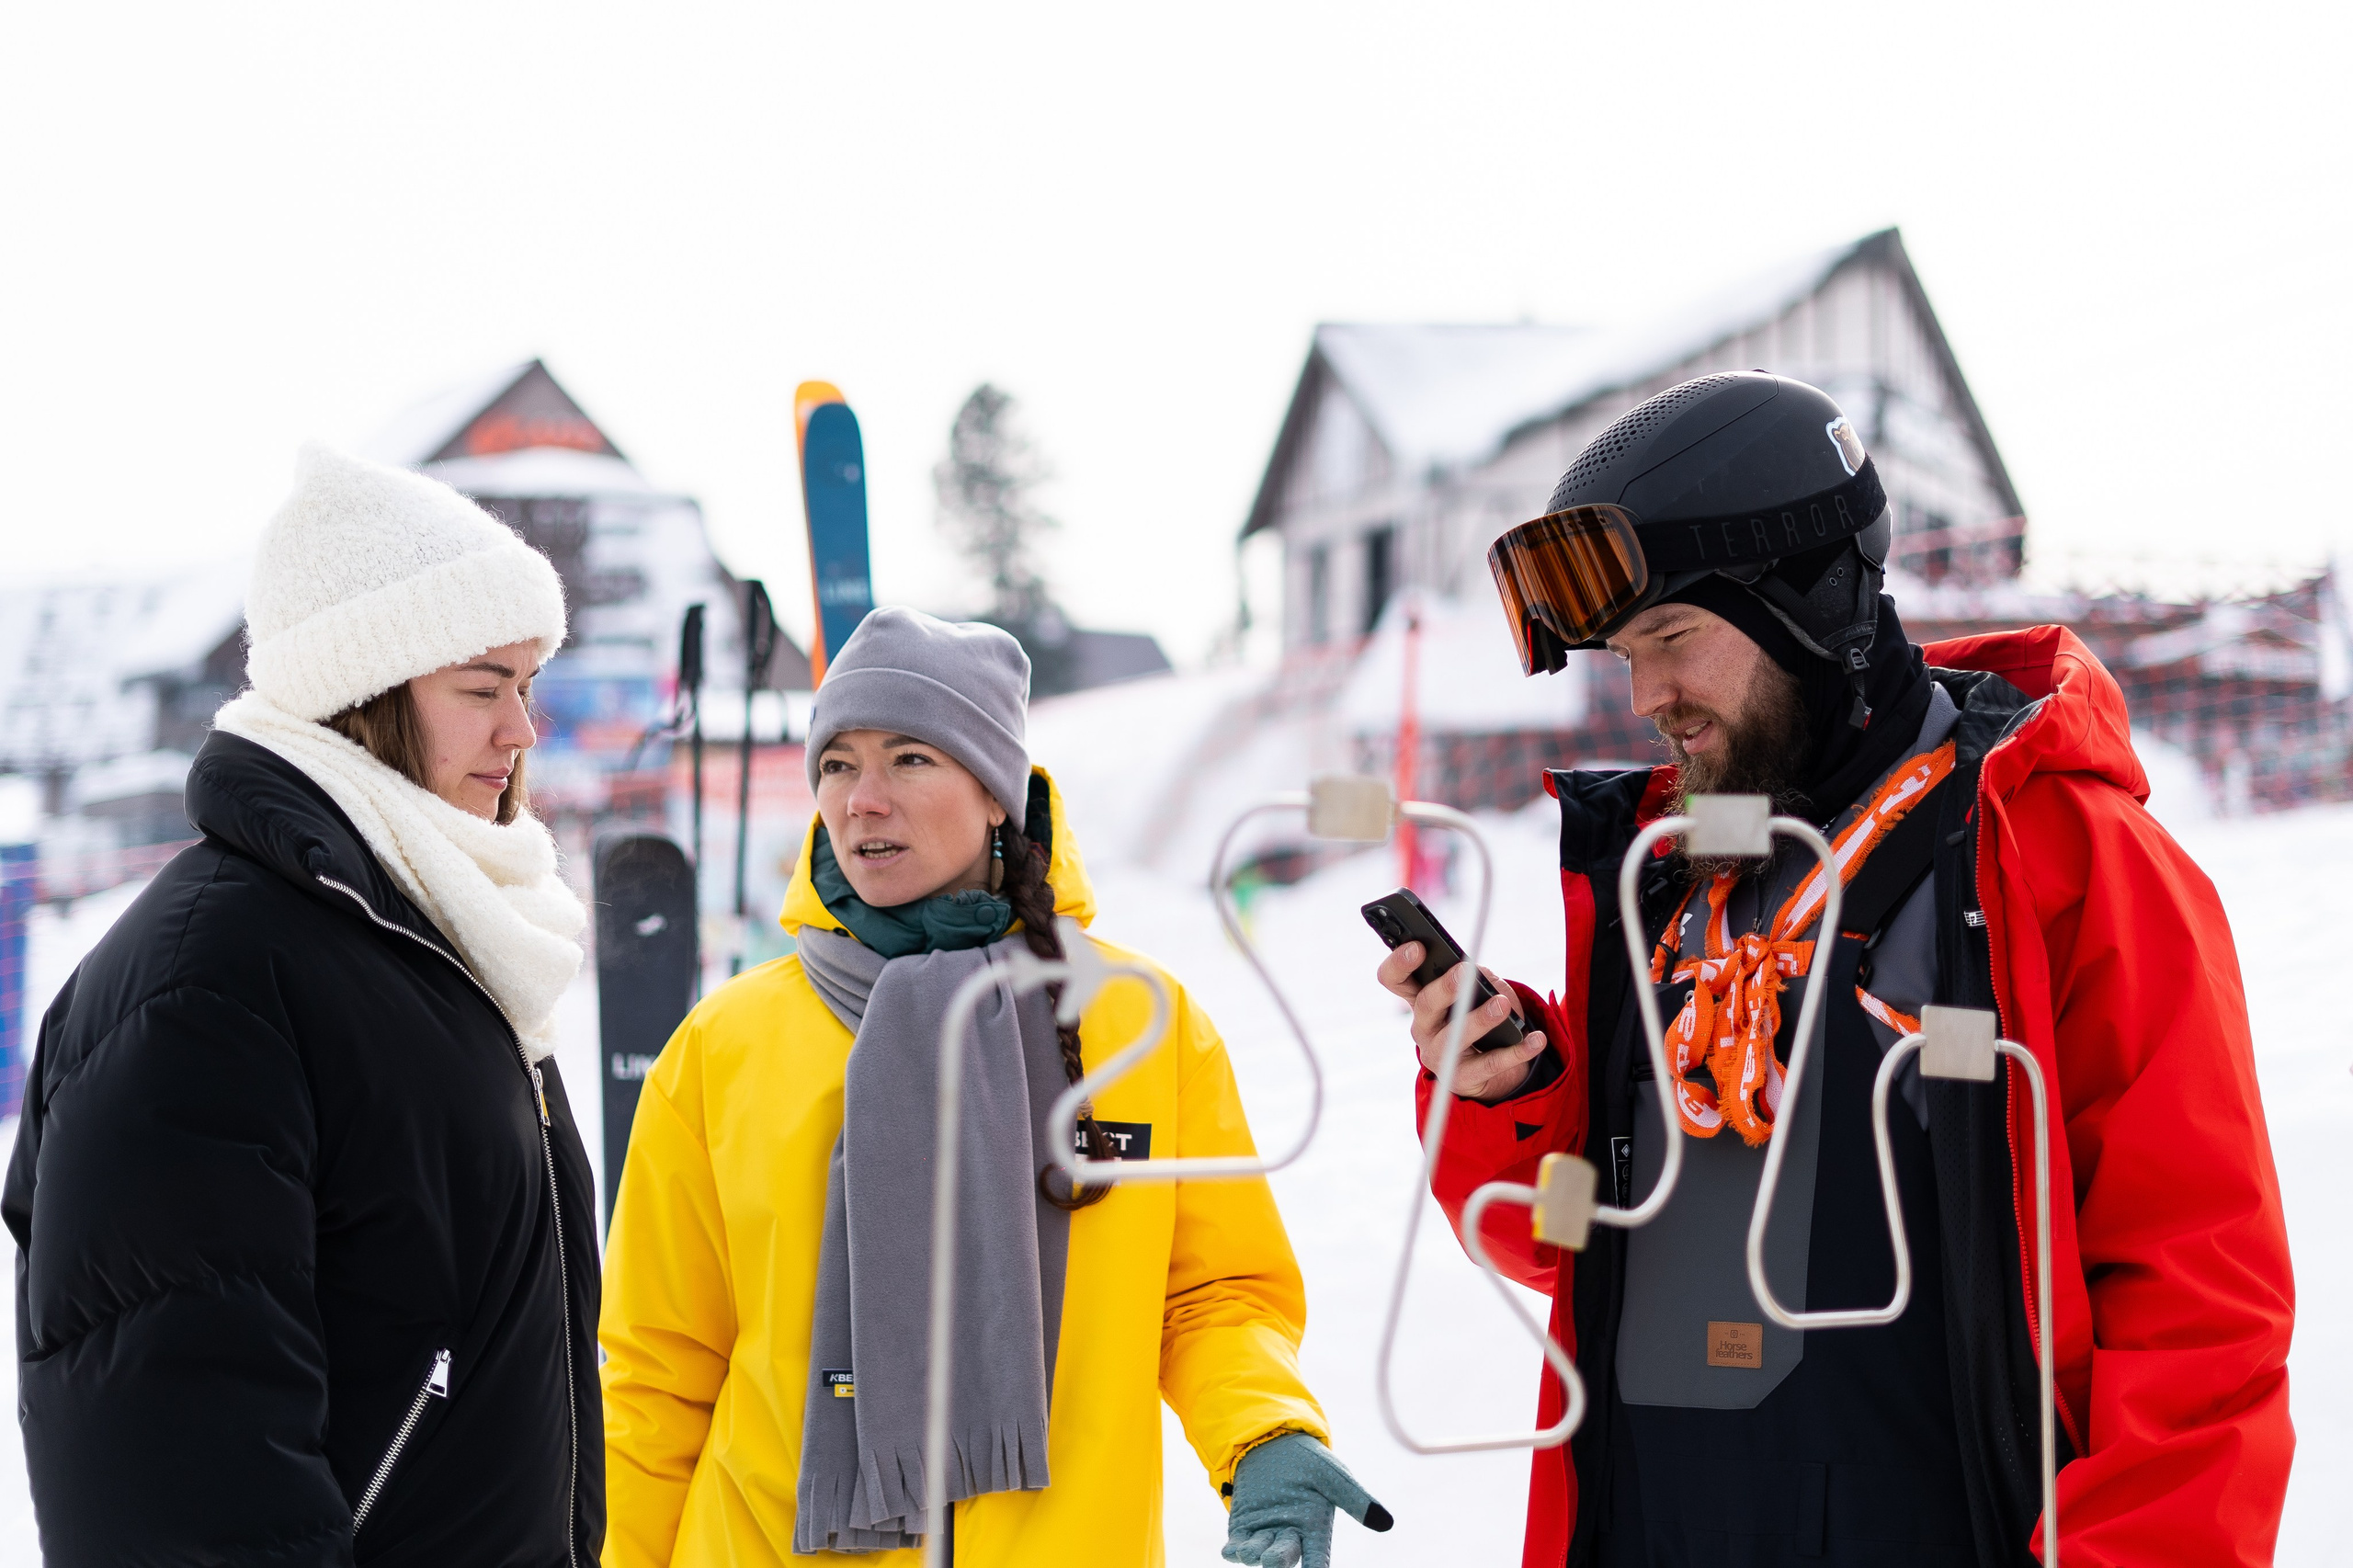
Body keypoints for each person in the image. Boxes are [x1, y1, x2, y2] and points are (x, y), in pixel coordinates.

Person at [1379, 373, 2294, 1567]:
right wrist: (1508, 1097)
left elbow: (2200, 1316)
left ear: (1809, 600)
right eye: (1624, 655)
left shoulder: (2062, 853)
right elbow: (1584, 1250)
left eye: (1670, 639)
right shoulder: (1672, 880)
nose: (1647, 697)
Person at [599, 608, 1391, 1567]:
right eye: (838, 763)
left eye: (910, 758)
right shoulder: (726, 1044)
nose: (863, 799)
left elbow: (1214, 1293)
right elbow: (654, 1371)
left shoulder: (1139, 1025)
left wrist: (1264, 1430)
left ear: (996, 794)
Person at [4, 444, 602, 1564]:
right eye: (482, 688)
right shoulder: (211, 979)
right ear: (362, 694)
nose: (521, 731)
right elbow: (172, 1470)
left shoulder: (446, 940)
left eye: (528, 686)